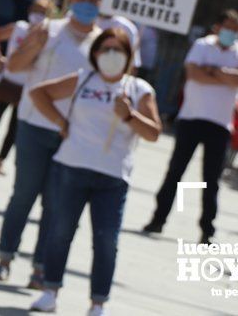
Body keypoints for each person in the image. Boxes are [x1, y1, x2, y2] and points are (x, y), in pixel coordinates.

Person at [27, 28, 161, 315]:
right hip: (71, 167)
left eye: (119, 50)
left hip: (112, 178)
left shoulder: (139, 90)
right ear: (95, 53)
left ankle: (98, 302)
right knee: (60, 232)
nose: (111, 56)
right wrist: (61, 123)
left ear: (128, 56)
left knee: (106, 241)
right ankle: (50, 290)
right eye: (105, 49)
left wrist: (130, 115)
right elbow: (39, 93)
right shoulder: (83, 79)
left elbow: (153, 133)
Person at [0, 0, 103, 286]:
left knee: (56, 204)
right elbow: (14, 67)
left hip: (73, 134)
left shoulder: (104, 42)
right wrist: (33, 47)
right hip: (34, 125)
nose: (87, 3)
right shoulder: (48, 30)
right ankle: (4, 257)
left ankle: (41, 267)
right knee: (24, 193)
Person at [143, 9, 238, 243]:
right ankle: (158, 219)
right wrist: (225, 77)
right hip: (191, 119)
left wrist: (213, 70)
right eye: (228, 28)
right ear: (217, 27)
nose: (231, 34)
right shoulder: (202, 45)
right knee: (175, 172)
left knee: (211, 180)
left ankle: (207, 230)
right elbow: (193, 74)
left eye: (235, 30)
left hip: (220, 124)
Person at [0, 0, 55, 174]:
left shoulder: (46, 35)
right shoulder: (19, 27)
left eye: (43, 12)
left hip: (26, 87)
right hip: (7, 81)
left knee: (13, 128)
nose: (38, 15)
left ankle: (0, 162)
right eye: (36, 10)